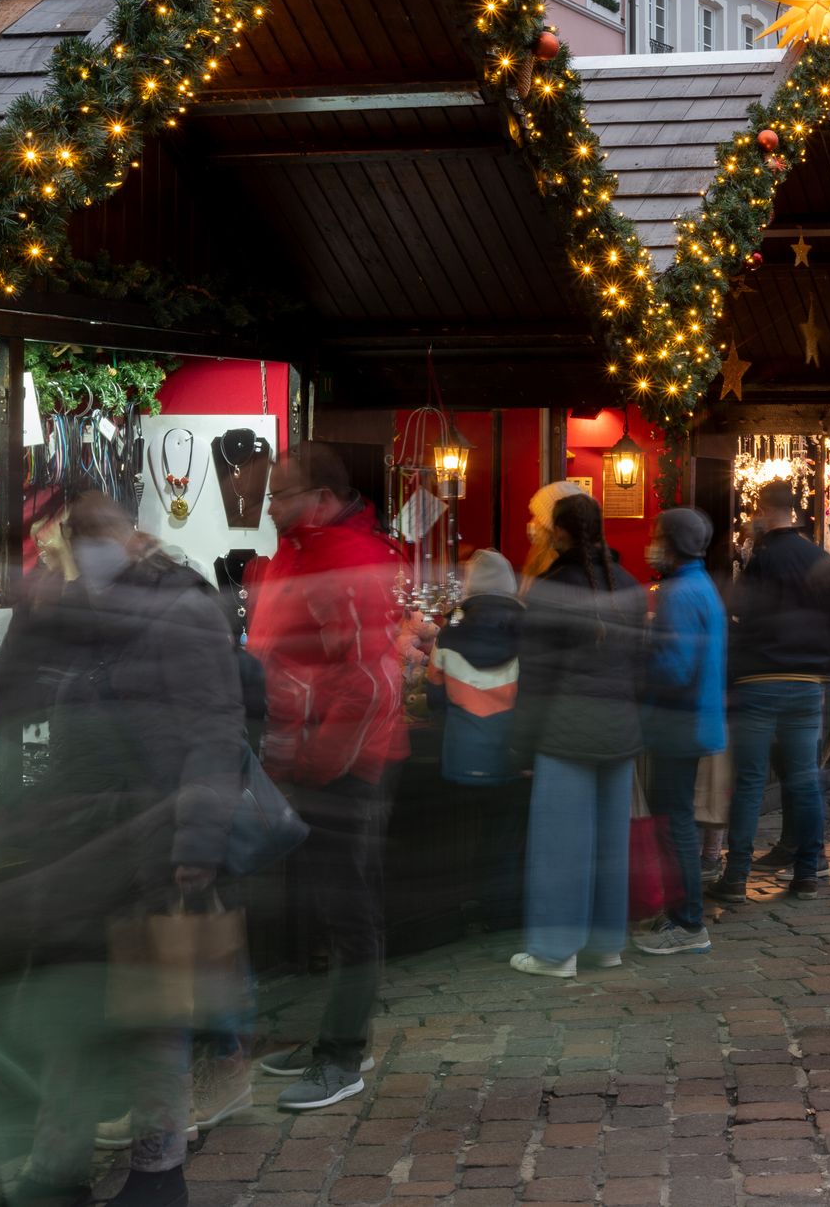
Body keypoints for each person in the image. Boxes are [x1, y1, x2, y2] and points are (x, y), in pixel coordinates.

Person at [0, 493, 245, 1207]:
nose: (85, 548)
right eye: (76, 538)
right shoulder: (71, 606)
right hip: (75, 843)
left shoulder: (181, 603)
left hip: (153, 839)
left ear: (131, 536)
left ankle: (159, 1174)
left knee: (152, 1015)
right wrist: (32, 611)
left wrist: (197, 842)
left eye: (96, 534)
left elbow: (215, 727)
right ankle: (57, 1166)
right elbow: (13, 696)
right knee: (72, 1013)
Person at [251, 443, 406, 1113]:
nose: (269, 506)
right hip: (318, 758)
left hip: (345, 764)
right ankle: (343, 1039)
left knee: (349, 911)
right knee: (334, 906)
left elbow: (368, 682)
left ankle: (341, 1055)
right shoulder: (303, 550)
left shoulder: (344, 558)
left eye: (280, 494)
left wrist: (313, 762)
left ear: (318, 497)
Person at [509, 493, 644, 977]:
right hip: (619, 728)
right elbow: (640, 666)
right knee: (611, 844)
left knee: (560, 845)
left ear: (559, 533)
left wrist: (521, 744)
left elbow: (535, 677)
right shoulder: (628, 585)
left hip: (565, 731)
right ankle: (606, 944)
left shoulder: (550, 590)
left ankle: (556, 951)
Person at [708, 480, 830, 903]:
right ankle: (807, 873)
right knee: (805, 779)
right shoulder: (821, 558)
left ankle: (736, 877)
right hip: (807, 685)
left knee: (750, 781)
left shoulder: (763, 559)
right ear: (796, 510)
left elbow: (740, 612)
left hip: (760, 680)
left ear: (764, 510)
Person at [637, 507, 727, 956]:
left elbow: (674, 669)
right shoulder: (701, 584)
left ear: (672, 542)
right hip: (695, 720)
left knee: (674, 825)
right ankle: (681, 914)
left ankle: (687, 921)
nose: (652, 543)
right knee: (678, 822)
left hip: (678, 723)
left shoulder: (678, 592)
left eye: (657, 535)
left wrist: (639, 657)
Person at [426, 549, 527, 931]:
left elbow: (434, 694)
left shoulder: (449, 632)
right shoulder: (527, 632)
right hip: (510, 754)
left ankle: (467, 906)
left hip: (461, 756)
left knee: (464, 832)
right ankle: (501, 911)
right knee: (505, 832)